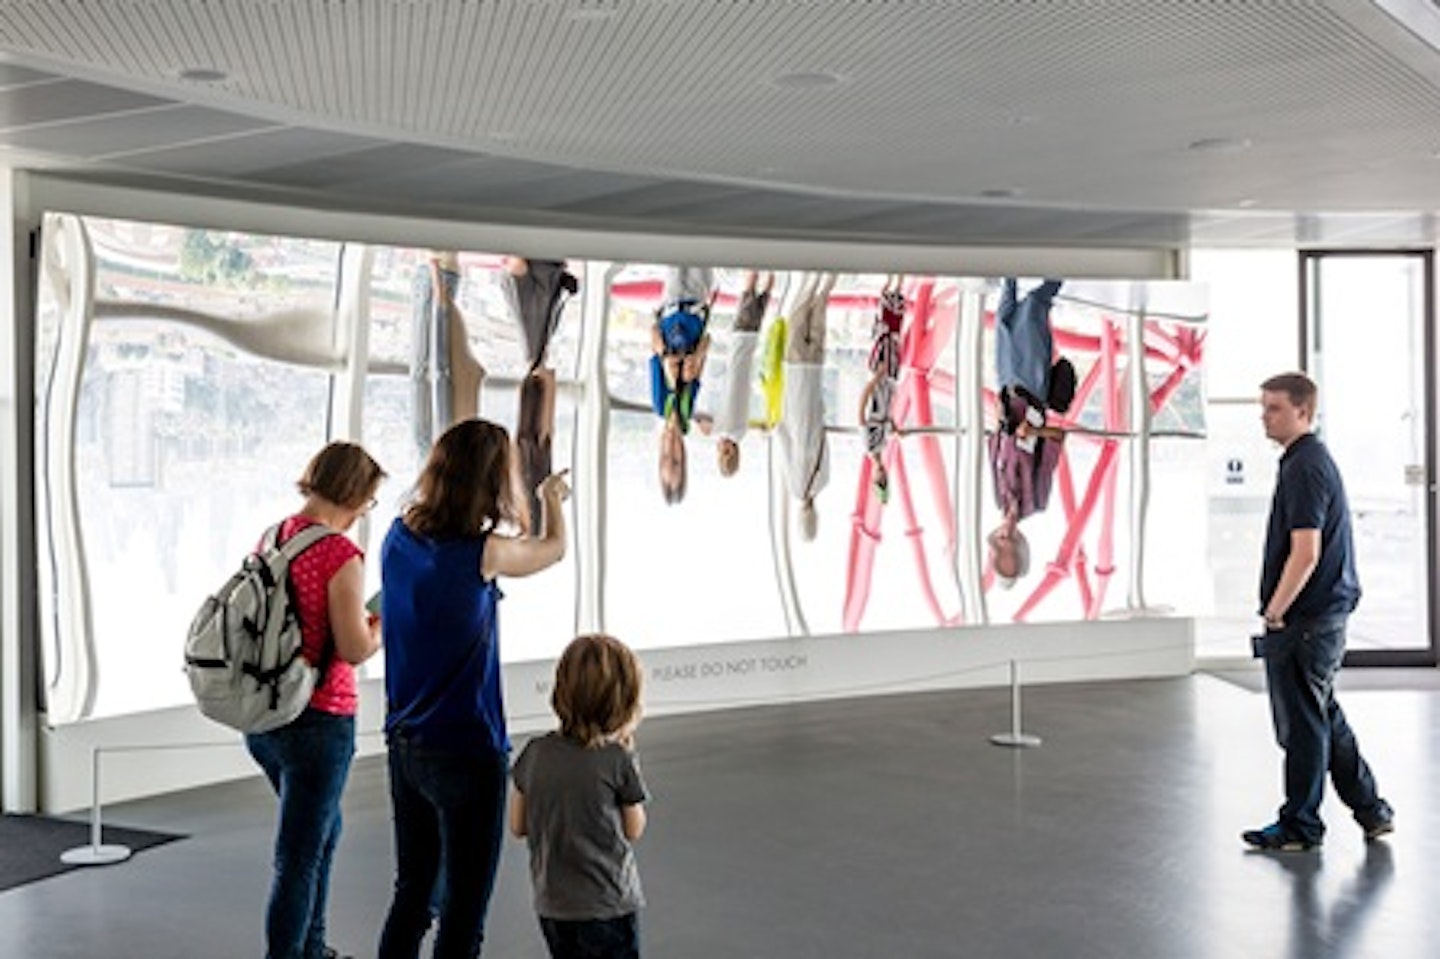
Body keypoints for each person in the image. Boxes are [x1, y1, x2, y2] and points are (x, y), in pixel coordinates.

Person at [377, 419, 570, 958]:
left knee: (412, 895)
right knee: (464, 913)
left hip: (404, 743)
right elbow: (552, 549)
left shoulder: (397, 537)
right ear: (490, 480)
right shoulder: (483, 553)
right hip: (466, 750)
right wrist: (551, 496)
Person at [244, 441, 386, 959]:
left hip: (263, 715)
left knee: (324, 828)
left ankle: (314, 947)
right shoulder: (339, 554)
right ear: (353, 494)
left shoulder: (272, 537)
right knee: (298, 856)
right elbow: (352, 647)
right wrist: (381, 624)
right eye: (367, 502)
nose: (363, 514)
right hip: (319, 718)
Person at [1242, 372, 1395, 852]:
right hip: (1321, 616)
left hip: (1307, 620)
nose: (1264, 417)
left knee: (1303, 727)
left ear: (1304, 412)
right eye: (1263, 407)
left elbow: (1305, 551)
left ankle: (1301, 826)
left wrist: (1275, 611)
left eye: (1275, 408)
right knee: (1322, 715)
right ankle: (1372, 810)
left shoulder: (1305, 467)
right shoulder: (1305, 461)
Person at [510, 634, 649, 959]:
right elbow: (634, 828)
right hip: (609, 903)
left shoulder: (534, 753)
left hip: (553, 905)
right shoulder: (618, 759)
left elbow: (518, 825)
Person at [987, 277, 1070, 586]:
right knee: (1035, 306)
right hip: (1032, 389)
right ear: (1020, 546)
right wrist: (1032, 432)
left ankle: (1015, 255)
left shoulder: (998, 496)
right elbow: (1058, 440)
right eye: (1011, 550)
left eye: (1000, 549)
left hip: (1008, 389)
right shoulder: (1037, 500)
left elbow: (995, 444)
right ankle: (1062, 262)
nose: (1005, 541)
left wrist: (1001, 422)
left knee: (1005, 315)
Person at [776, 272, 834, 540]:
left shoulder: (823, 481)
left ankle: (831, 273)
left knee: (820, 306)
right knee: (798, 313)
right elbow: (783, 437)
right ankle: (811, 272)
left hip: (814, 376)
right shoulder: (795, 485)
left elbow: (824, 437)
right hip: (795, 377)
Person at [649, 292, 712, 504]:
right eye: (675, 461)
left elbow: (653, 333)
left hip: (671, 304)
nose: (670, 449)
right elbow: (707, 341)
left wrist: (667, 358)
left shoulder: (660, 404)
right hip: (696, 306)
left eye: (665, 458)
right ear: (685, 458)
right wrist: (695, 359)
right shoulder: (687, 409)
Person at [714, 270, 773, 477]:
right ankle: (755, 258)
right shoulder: (728, 430)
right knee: (748, 290)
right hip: (740, 342)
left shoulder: (741, 432)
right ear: (728, 452)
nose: (718, 447)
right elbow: (709, 426)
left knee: (763, 297)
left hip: (749, 344)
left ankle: (771, 268)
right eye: (720, 451)